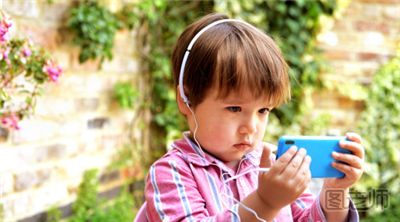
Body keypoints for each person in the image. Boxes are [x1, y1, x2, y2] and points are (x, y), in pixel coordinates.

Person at [144, 12, 364, 222]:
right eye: (234, 108)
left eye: (263, 111)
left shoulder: (268, 163)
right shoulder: (172, 173)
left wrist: (336, 190)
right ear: (186, 99)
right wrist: (265, 202)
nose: (250, 127)